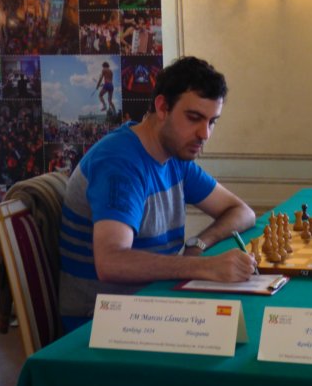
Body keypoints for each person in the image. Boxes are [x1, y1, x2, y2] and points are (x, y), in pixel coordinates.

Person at [59, 56, 257, 332]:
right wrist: (203, 267)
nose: (205, 134)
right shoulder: (120, 163)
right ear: (162, 107)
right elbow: (111, 262)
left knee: (243, 326)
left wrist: (198, 244)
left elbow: (241, 212)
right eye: (194, 118)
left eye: (212, 122)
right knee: (236, 336)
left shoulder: (176, 156)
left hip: (154, 303)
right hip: (99, 322)